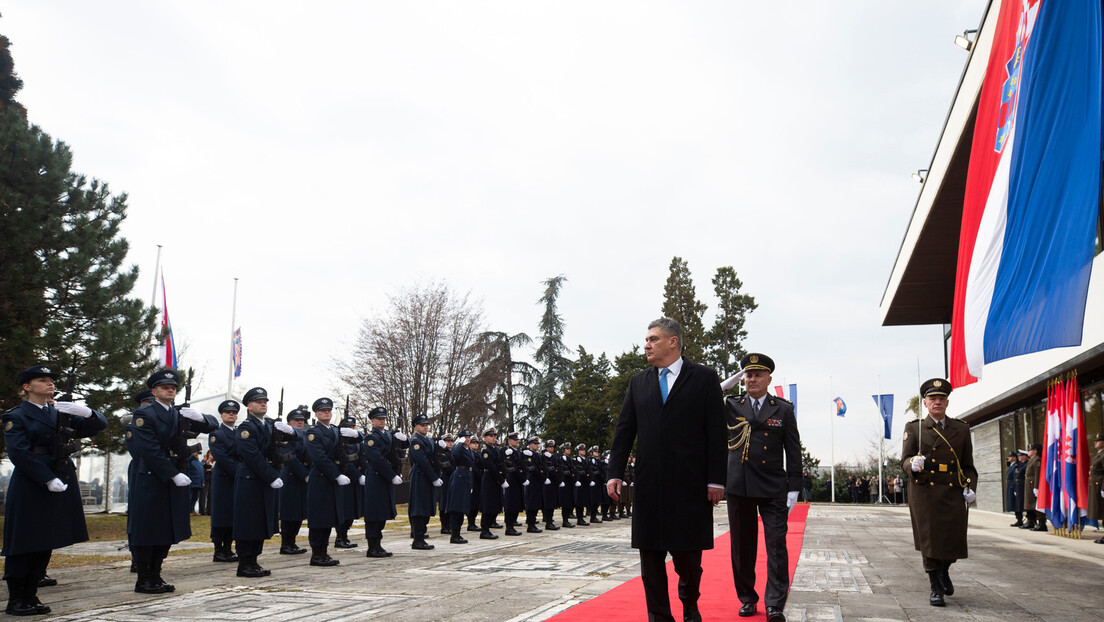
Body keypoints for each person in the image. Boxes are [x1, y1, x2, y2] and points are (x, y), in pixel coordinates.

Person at [607, 318, 726, 622]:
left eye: (653, 339)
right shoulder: (638, 382)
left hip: (690, 486)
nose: (646, 344)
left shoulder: (704, 378)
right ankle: (659, 616)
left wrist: (716, 480)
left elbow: (716, 433)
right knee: (650, 557)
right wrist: (615, 472)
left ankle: (689, 603)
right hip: (649, 486)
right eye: (646, 339)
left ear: (673, 341)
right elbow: (624, 431)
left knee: (687, 559)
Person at [3, 364, 107, 615]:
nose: (50, 384)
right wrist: (46, 478)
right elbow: (19, 452)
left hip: (59, 477)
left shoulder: (59, 412)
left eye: (51, 380)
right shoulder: (15, 416)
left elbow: (98, 425)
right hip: (32, 481)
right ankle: (17, 599)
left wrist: (85, 411)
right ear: (27, 387)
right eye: (42, 380)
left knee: (45, 538)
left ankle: (32, 594)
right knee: (25, 540)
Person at [125, 369, 219, 594]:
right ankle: (144, 578)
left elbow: (212, 424)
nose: (170, 390)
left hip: (173, 476)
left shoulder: (178, 414)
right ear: (154, 391)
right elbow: (148, 450)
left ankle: (156, 575)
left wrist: (199, 416)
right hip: (152, 477)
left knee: (166, 528)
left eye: (173, 387)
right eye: (165, 387)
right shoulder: (144, 414)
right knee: (148, 528)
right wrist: (172, 474)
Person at [724, 353, 801, 622]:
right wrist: (722, 387)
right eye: (748, 374)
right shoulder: (731, 404)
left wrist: (794, 487)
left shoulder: (783, 409)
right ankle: (747, 598)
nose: (752, 379)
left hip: (772, 486)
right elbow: (699, 403)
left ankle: (774, 604)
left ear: (769, 379)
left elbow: (793, 450)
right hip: (739, 484)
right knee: (742, 546)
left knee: (776, 545)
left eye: (758, 374)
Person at [901, 378, 977, 608]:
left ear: (947, 402)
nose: (937, 402)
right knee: (930, 541)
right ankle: (936, 587)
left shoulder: (961, 428)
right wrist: (912, 464)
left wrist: (971, 487)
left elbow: (968, 466)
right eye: (933, 398)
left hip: (953, 492)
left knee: (953, 540)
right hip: (925, 492)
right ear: (925, 403)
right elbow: (904, 460)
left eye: (941, 398)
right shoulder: (915, 428)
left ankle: (944, 570)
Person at [232, 387, 294, 577]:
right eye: (259, 401)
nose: (263, 404)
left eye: (265, 401)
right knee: (248, 522)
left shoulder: (269, 426)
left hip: (264, 480)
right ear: (249, 406)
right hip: (251, 480)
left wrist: (289, 431)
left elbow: (293, 442)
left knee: (260, 522)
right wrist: (272, 476)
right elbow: (253, 456)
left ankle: (254, 560)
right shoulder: (246, 428)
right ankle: (244, 563)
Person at [304, 397, 352, 566]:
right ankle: (316, 554)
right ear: (316, 414)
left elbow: (342, 453)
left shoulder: (335, 431)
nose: (327, 412)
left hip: (332, 479)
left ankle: (324, 552)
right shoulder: (313, 433)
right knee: (319, 519)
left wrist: (342, 470)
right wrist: (336, 475)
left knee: (328, 518)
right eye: (323, 410)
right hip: (321, 479)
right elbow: (320, 457)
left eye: (329, 410)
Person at [361, 406, 401, 557]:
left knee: (382, 513)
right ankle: (372, 546)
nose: (382, 421)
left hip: (384, 478)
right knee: (374, 513)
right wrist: (391, 475)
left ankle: (378, 544)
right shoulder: (371, 438)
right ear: (372, 421)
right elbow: (377, 459)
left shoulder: (388, 436)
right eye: (379, 419)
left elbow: (394, 455)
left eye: (384, 418)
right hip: (377, 477)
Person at [208, 400, 241, 563]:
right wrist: (241, 472)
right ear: (221, 415)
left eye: (234, 412)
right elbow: (222, 458)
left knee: (233, 514)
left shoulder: (240, 433)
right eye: (228, 412)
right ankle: (219, 549)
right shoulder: (216, 434)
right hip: (223, 479)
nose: (231, 415)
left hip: (236, 479)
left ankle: (228, 547)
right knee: (221, 514)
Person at [407, 414, 442, 550]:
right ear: (416, 427)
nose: (426, 427)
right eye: (422, 425)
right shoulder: (416, 441)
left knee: (426, 507)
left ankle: (421, 536)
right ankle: (418, 539)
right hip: (421, 475)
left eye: (427, 425)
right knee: (419, 507)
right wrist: (434, 477)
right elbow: (422, 461)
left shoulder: (427, 440)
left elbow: (434, 458)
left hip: (427, 476)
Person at [278, 406, 311, 554]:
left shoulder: (304, 436)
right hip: (290, 477)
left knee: (299, 512)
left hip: (301, 479)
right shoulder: (285, 436)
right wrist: (305, 473)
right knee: (289, 512)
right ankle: (286, 544)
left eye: (302, 420)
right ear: (289, 422)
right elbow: (290, 458)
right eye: (296, 420)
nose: (300, 423)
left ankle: (293, 542)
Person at [444, 430, 475, 544]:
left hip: (466, 477)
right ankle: (454, 535)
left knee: (462, 507)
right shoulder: (459, 448)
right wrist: (459, 443)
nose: (468, 439)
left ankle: (458, 533)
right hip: (459, 477)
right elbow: (455, 455)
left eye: (469, 437)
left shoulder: (468, 450)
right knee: (456, 507)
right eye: (465, 437)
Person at [478, 428, 505, 539]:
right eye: (490, 436)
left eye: (494, 436)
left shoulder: (496, 450)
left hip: (495, 480)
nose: (493, 438)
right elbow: (491, 467)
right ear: (485, 438)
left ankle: (488, 528)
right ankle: (484, 530)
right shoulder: (486, 451)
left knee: (494, 505)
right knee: (487, 506)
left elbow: (500, 465)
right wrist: (501, 479)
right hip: (489, 479)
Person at [501, 432, 525, 536]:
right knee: (510, 504)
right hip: (511, 479)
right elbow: (511, 466)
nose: (516, 441)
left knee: (516, 503)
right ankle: (509, 527)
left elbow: (522, 465)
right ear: (509, 441)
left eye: (517, 440)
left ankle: (513, 524)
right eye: (514, 440)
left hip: (518, 480)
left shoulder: (518, 452)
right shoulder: (506, 451)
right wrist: (521, 477)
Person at [522, 436, 546, 533]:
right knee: (531, 503)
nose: (536, 446)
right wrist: (542, 477)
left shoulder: (537, 454)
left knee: (536, 503)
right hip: (532, 480)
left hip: (538, 481)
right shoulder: (527, 454)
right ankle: (530, 525)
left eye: (537, 444)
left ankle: (533, 523)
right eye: (535, 444)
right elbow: (531, 468)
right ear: (530, 444)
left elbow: (541, 466)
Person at [1022, 445, 1044, 532]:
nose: (1028, 451)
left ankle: (1042, 523)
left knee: (1036, 504)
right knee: (1030, 504)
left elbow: (1037, 474)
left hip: (1033, 484)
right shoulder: (1032, 460)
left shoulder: (1037, 459)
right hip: (1029, 484)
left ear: (1035, 451)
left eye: (1030, 450)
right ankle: (1032, 521)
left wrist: (1036, 487)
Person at [540, 439, 561, 530]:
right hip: (548, 482)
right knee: (548, 503)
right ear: (546, 448)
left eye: (552, 447)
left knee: (552, 503)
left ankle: (550, 521)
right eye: (549, 447)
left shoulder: (553, 457)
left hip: (553, 483)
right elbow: (548, 469)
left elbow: (557, 468)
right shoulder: (544, 456)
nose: (551, 448)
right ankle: (548, 523)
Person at [558, 442, 577, 528]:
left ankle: (567, 520)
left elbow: (572, 469)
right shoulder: (561, 458)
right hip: (565, 482)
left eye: (569, 449)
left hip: (570, 483)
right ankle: (565, 521)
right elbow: (563, 471)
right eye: (567, 449)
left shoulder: (569, 459)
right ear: (563, 450)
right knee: (565, 503)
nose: (569, 450)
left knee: (569, 502)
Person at [1089, 434, 1104, 543]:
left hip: (1101, 485)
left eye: (1098, 440)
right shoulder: (1098, 454)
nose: (1095, 442)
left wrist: (1103, 488)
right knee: (1100, 510)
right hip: (1095, 485)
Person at [199, 451, 214, 515]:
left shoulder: (214, 461)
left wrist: (210, 470)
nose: (211, 454)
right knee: (203, 495)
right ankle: (202, 511)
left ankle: (209, 511)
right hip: (206, 479)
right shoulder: (204, 461)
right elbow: (203, 467)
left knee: (210, 495)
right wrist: (208, 461)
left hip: (212, 479)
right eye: (210, 453)